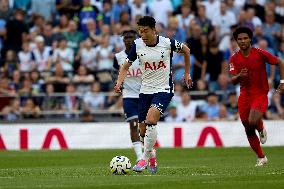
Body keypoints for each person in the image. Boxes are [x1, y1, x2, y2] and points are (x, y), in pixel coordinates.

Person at [114, 16, 192, 173]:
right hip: (145, 91)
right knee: (142, 130)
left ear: (154, 30)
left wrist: (187, 73)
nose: (142, 34)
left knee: (151, 120)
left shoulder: (167, 43)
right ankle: (152, 155)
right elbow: (125, 66)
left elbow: (186, 50)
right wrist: (119, 83)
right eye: (140, 31)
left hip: (163, 89)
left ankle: (143, 159)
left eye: (145, 30)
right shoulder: (137, 46)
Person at [229, 27, 284, 167]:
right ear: (236, 41)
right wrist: (239, 75)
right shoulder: (234, 58)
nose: (242, 41)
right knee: (247, 128)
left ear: (250, 39)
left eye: (245, 38)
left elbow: (280, 62)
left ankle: (260, 128)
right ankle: (261, 157)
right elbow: (232, 79)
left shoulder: (259, 53)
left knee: (253, 120)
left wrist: (282, 82)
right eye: (239, 39)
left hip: (260, 94)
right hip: (244, 96)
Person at [113, 29, 143, 163]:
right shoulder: (119, 57)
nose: (128, 40)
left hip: (144, 94)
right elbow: (114, 71)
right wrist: (117, 83)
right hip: (129, 96)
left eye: (131, 37)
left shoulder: (143, 54)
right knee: (133, 124)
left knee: (145, 127)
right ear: (123, 40)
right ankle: (139, 156)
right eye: (126, 38)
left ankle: (149, 152)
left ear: (136, 39)